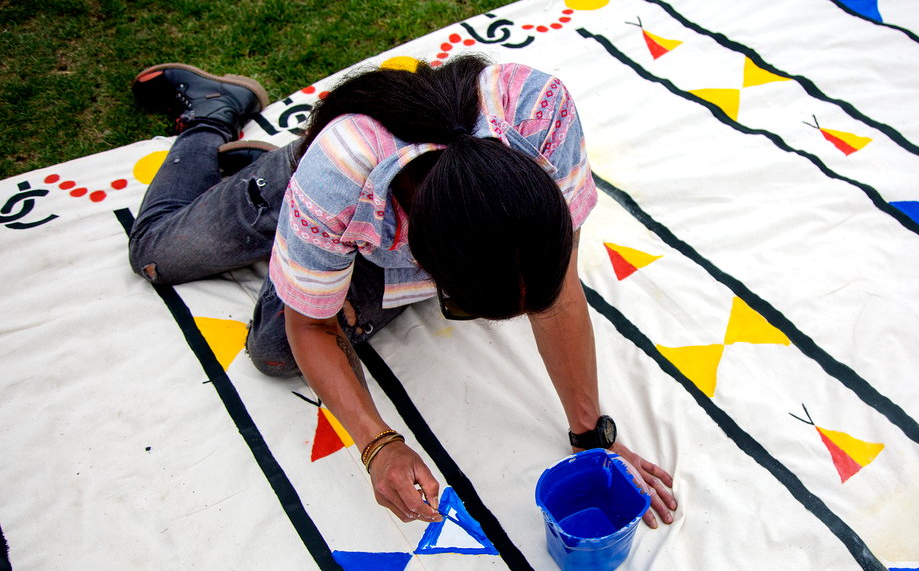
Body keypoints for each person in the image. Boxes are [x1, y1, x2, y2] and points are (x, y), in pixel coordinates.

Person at [127, 56, 676, 528]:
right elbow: (309, 327)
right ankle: (215, 118)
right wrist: (377, 443)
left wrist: (593, 437)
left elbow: (555, 294)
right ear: (427, 269)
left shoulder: (542, 116)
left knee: (279, 341)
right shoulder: (340, 171)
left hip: (364, 211)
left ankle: (303, 242)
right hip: (330, 189)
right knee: (158, 255)